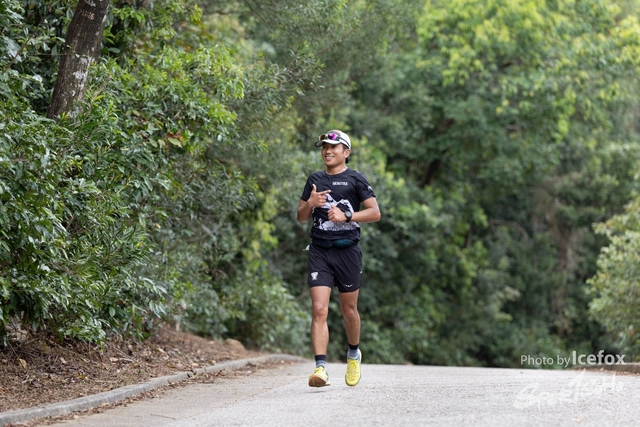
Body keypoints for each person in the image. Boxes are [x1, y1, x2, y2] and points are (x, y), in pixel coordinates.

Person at [297, 130, 381, 387]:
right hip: (320, 251)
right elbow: (301, 217)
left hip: (348, 252)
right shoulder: (315, 179)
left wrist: (347, 216)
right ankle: (320, 368)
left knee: (349, 310)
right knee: (319, 309)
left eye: (333, 147)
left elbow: (375, 213)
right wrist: (310, 203)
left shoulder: (356, 179)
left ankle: (353, 355)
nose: (327, 151)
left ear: (346, 152)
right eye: (324, 147)